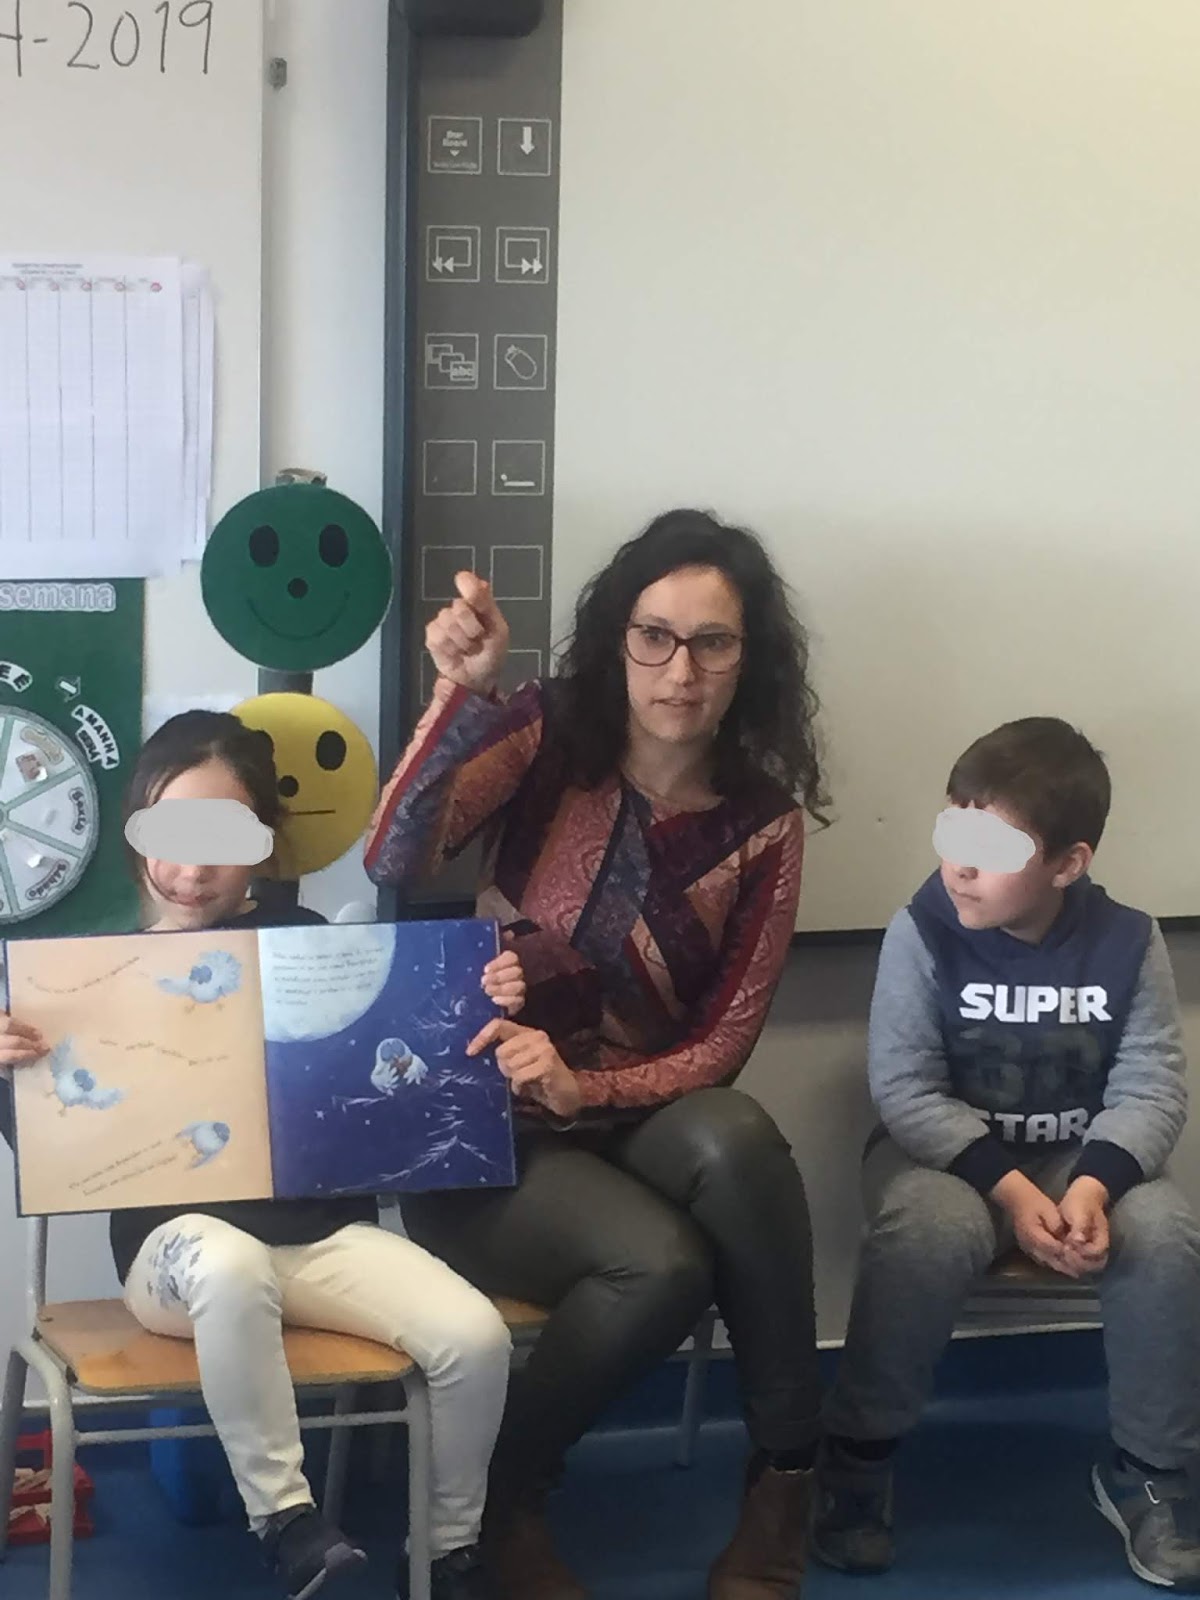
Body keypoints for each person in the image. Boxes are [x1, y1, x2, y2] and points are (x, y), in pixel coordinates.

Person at [365, 508, 829, 1600]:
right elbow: (393, 856)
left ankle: (785, 1480)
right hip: (485, 1130)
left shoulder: (764, 823)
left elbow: (725, 1040)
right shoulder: (546, 732)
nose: (681, 671)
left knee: (739, 1136)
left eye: (712, 643)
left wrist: (590, 1087)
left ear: (750, 657)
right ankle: (500, 1500)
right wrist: (461, 697)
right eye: (655, 636)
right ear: (620, 636)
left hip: (631, 1115)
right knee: (663, 1266)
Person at [0, 710, 518, 1600]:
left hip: (320, 1236)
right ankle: (285, 1521)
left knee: (476, 1336)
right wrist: (11, 1070)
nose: (193, 867)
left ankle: (448, 1551)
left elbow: (409, 1054)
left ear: (263, 846)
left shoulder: (314, 945)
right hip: (176, 1255)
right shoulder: (87, 975)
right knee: (232, 1265)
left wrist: (482, 990)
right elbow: (57, 1147)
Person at [814, 717, 1200, 1590]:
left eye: (993, 849)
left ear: (1068, 864)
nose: (960, 865)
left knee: (1167, 1233)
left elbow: (1152, 1087)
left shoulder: (1129, 941)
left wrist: (1094, 1185)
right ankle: (858, 1456)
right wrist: (1015, 1193)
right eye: (954, 831)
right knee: (923, 1232)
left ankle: (1151, 1472)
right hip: (947, 1162)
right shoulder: (922, 930)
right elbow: (907, 1090)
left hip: (1082, 1161)